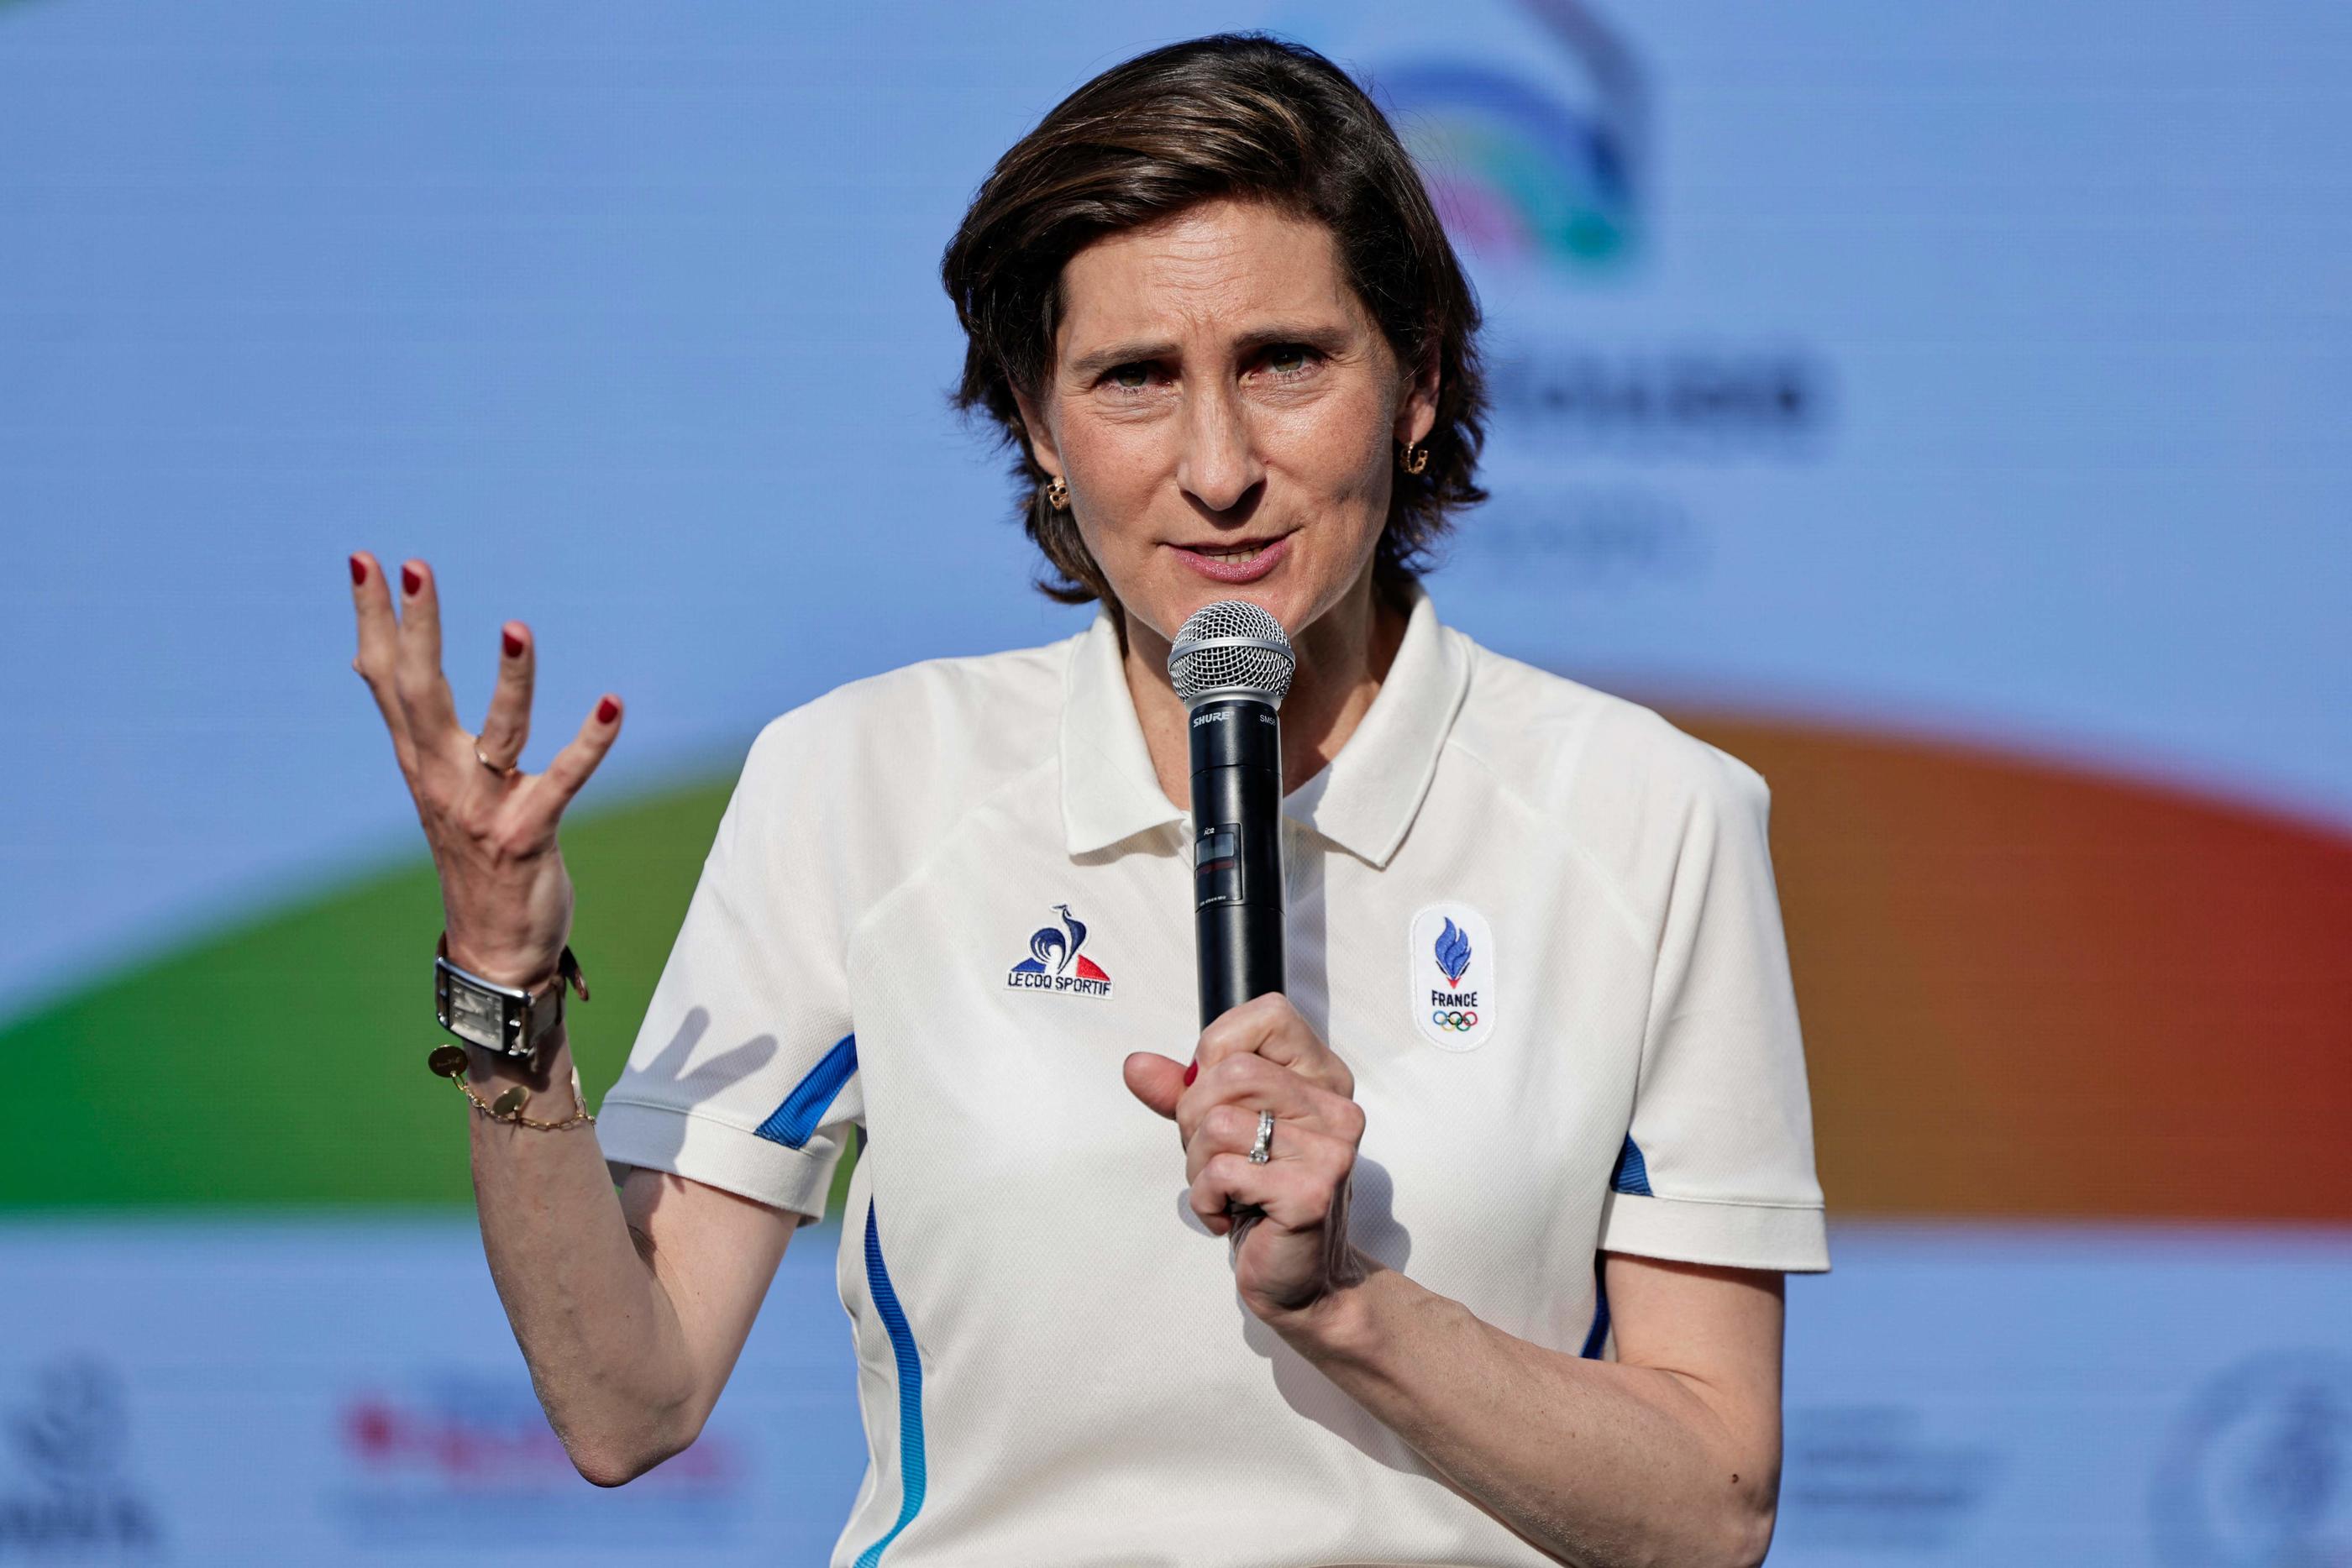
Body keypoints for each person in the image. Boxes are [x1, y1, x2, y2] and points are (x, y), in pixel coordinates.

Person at [345, 33, 1826, 1568]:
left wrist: (1349, 1305)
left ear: (1418, 384)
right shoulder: (863, 780)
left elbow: (1711, 1510)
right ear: (1042, 431)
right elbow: (622, 1403)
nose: (1218, 467)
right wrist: (504, 986)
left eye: (1284, 363)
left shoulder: (1654, 816)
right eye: (1133, 380)